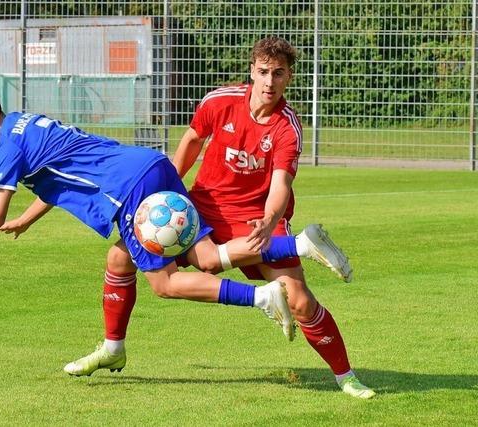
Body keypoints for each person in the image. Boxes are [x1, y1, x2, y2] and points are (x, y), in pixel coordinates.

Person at [0, 85, 344, 373]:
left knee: (165, 284)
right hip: (151, 167)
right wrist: (30, 217)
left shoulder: (8, 146)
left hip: (129, 194)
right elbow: (59, 175)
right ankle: (300, 243)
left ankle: (262, 297)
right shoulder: (27, 122)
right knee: (176, 258)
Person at [66, 36, 374, 399]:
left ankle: (346, 376)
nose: (269, 82)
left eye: (278, 74)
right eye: (263, 72)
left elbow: (280, 185)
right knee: (120, 256)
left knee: (300, 300)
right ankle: (113, 348)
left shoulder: (287, 127)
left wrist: (269, 216)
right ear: (251, 71)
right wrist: (166, 193)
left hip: (256, 219)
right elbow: (192, 140)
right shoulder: (220, 101)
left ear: (289, 77)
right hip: (202, 209)